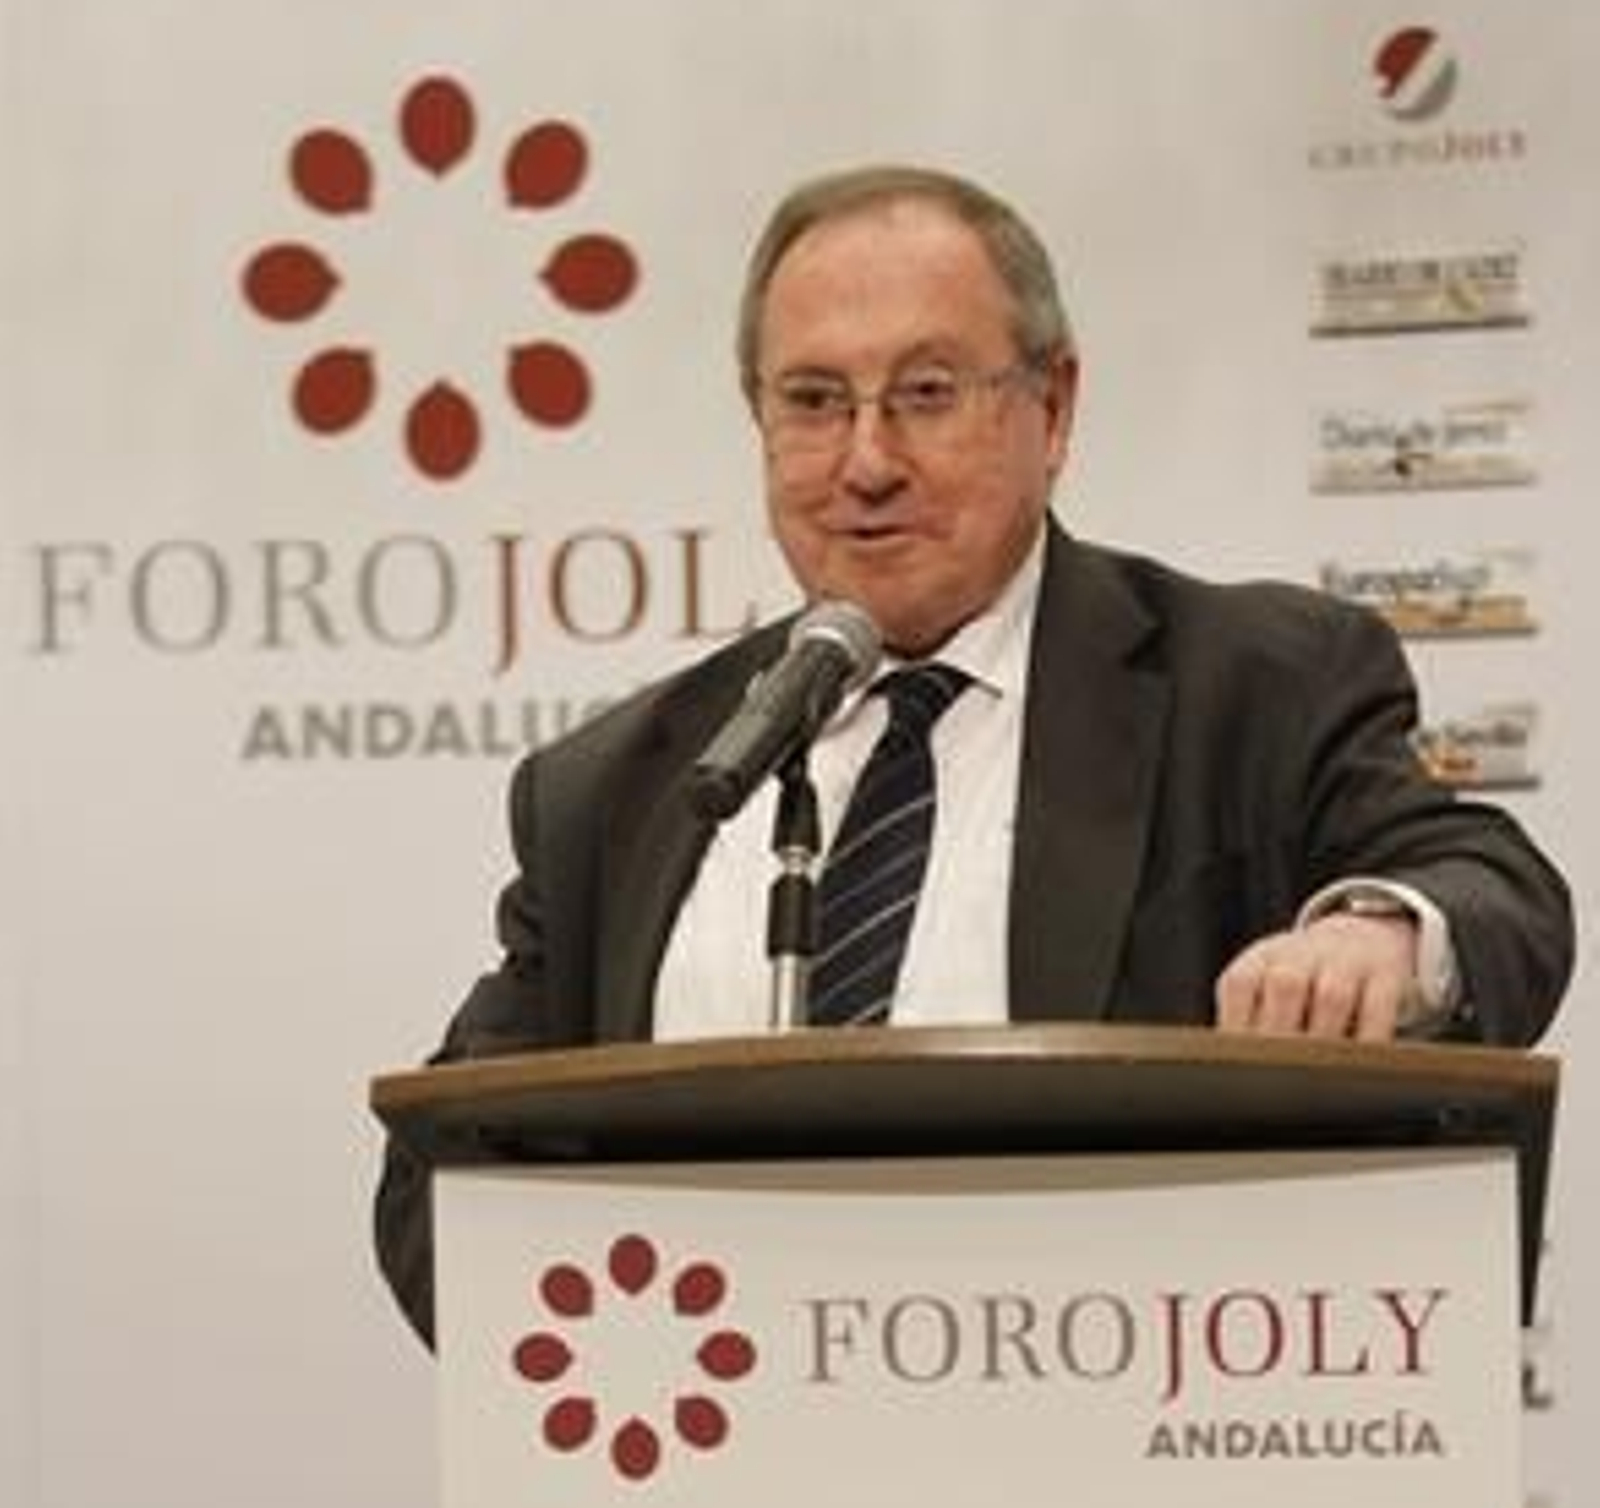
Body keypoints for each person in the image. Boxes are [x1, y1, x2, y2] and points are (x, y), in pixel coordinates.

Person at [375, 161, 1571, 1349]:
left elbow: (1492, 888)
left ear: (1051, 411)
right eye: (810, 400)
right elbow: (442, 1186)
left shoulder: (1251, 684)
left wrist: (1379, 932)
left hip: (1145, 1482)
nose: (865, 460)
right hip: (720, 1486)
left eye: (927, 392)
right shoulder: (623, 784)